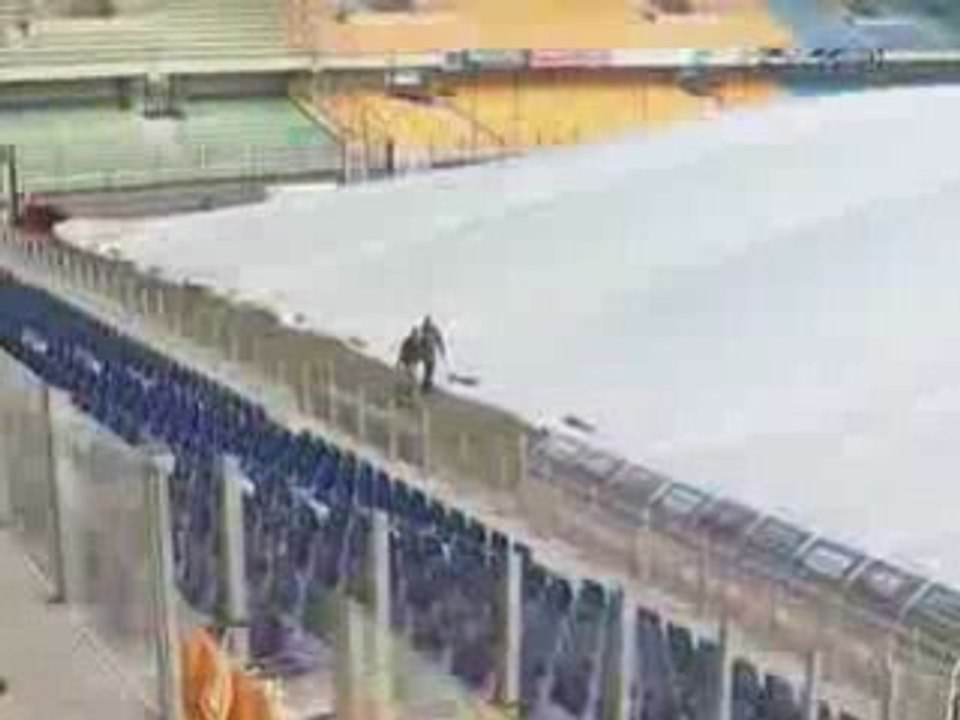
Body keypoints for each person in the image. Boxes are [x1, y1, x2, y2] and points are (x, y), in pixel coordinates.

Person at [419, 315, 445, 393]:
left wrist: (442, 350)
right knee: (428, 369)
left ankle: (427, 385)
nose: (427, 324)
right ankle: (426, 386)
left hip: (430, 352)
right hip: (426, 352)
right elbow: (421, 341)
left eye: (428, 322)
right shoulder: (423, 329)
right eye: (426, 322)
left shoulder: (433, 329)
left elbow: (439, 339)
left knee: (430, 369)